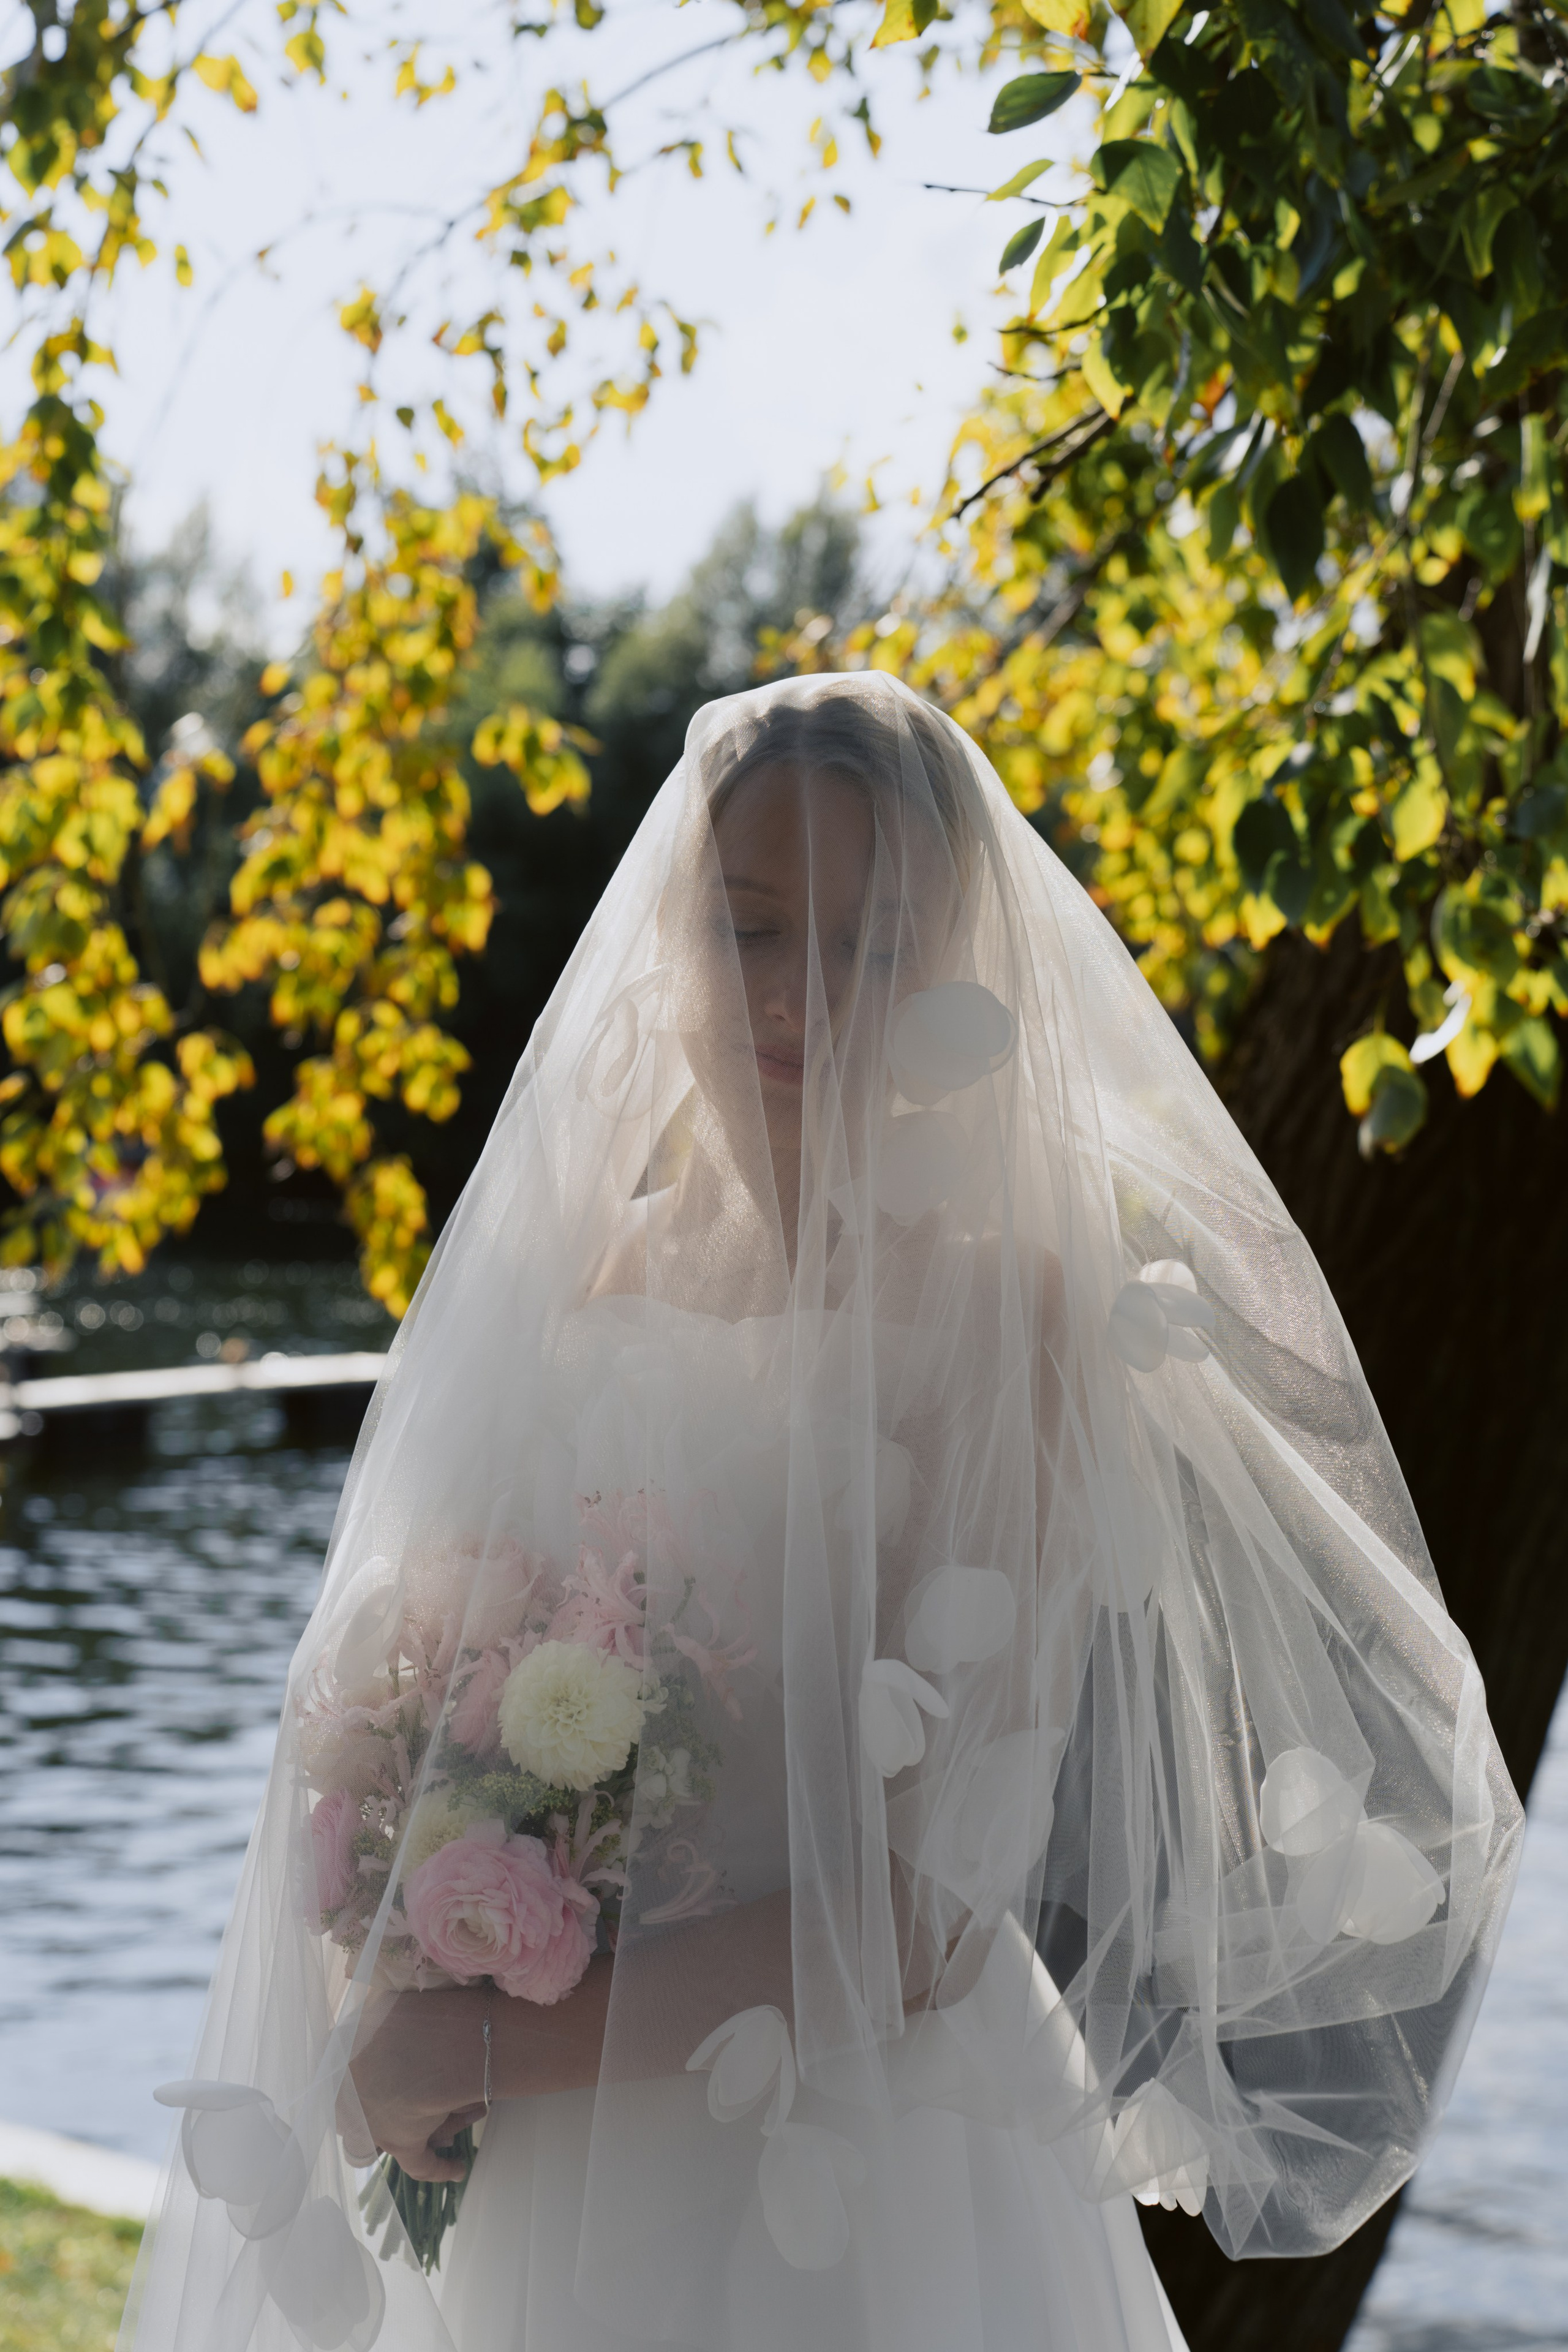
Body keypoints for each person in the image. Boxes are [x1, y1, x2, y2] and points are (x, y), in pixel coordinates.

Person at [126, 674, 1521, 2352]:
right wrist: (418, 1894)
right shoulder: (579, 1277)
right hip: (552, 2183)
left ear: (955, 978)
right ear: (675, 944)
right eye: (755, 928)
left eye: (869, 948)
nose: (800, 999)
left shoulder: (1013, 1328)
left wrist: (488, 2046)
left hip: (863, 2193)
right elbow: (411, 1685)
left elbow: (922, 1913)